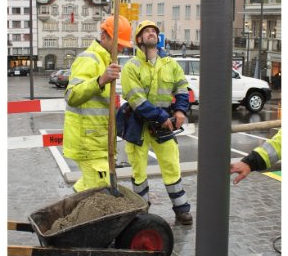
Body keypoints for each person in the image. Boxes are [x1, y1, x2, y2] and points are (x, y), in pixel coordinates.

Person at [120, 20, 193, 225]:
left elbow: (182, 87)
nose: (151, 33)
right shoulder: (131, 67)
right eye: (146, 31)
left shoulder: (170, 64)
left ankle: (181, 209)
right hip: (139, 125)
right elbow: (137, 100)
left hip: (165, 125)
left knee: (171, 165)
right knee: (138, 169)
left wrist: (180, 110)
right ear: (139, 39)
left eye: (154, 31)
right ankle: (141, 211)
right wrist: (161, 117)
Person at [62, 15, 132, 193]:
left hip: (99, 142)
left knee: (88, 190)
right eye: (119, 43)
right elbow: (71, 95)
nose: (122, 48)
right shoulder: (89, 59)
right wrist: (100, 81)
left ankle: (68, 216)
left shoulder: (107, 61)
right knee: (100, 194)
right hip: (89, 143)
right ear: (104, 36)